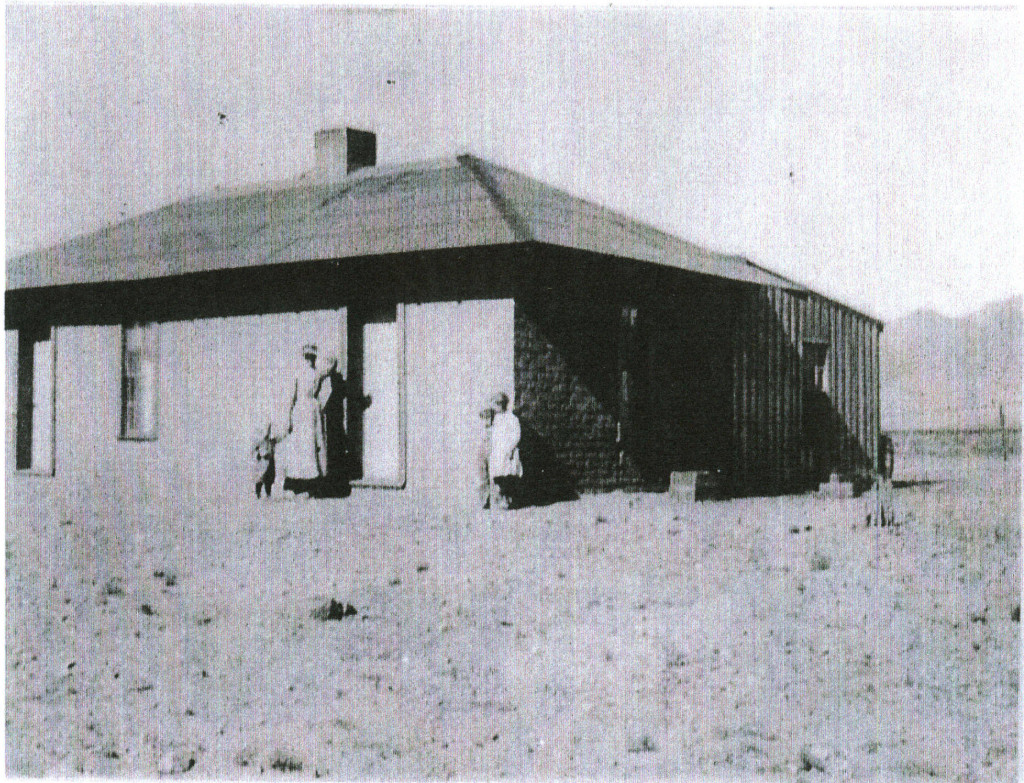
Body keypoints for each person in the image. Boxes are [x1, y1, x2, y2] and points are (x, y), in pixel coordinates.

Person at [283, 343, 336, 497]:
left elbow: (330, 367)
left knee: (312, 446)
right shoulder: (298, 374)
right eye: (308, 357)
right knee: (299, 447)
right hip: (300, 412)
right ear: (304, 357)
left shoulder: (317, 373)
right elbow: (291, 397)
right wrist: (288, 418)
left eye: (312, 357)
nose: (310, 360)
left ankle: (310, 485)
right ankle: (295, 485)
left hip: (312, 413)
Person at [488, 392, 522, 509]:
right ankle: (500, 498)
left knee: (508, 476)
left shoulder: (512, 419)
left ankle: (508, 499)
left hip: (508, 452)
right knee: (498, 475)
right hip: (497, 452)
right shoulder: (497, 419)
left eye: (496, 405)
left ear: (501, 405)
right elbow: (494, 435)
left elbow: (516, 435)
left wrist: (510, 449)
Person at [476, 407, 495, 508]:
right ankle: (484, 499)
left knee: (493, 476)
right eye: (485, 418)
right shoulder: (481, 430)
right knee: (482, 475)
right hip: (483, 453)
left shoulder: (495, 429)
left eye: (489, 418)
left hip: (492, 453)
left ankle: (495, 499)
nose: (487, 420)